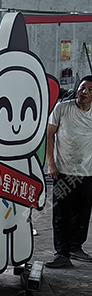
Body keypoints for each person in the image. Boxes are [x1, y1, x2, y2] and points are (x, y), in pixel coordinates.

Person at [45, 75, 92, 268]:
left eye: (90, 90)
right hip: (63, 171)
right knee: (61, 215)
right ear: (77, 88)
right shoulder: (62, 108)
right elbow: (49, 135)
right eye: (82, 87)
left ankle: (75, 247)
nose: (84, 92)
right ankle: (62, 253)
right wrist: (51, 164)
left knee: (82, 215)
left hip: (87, 173)